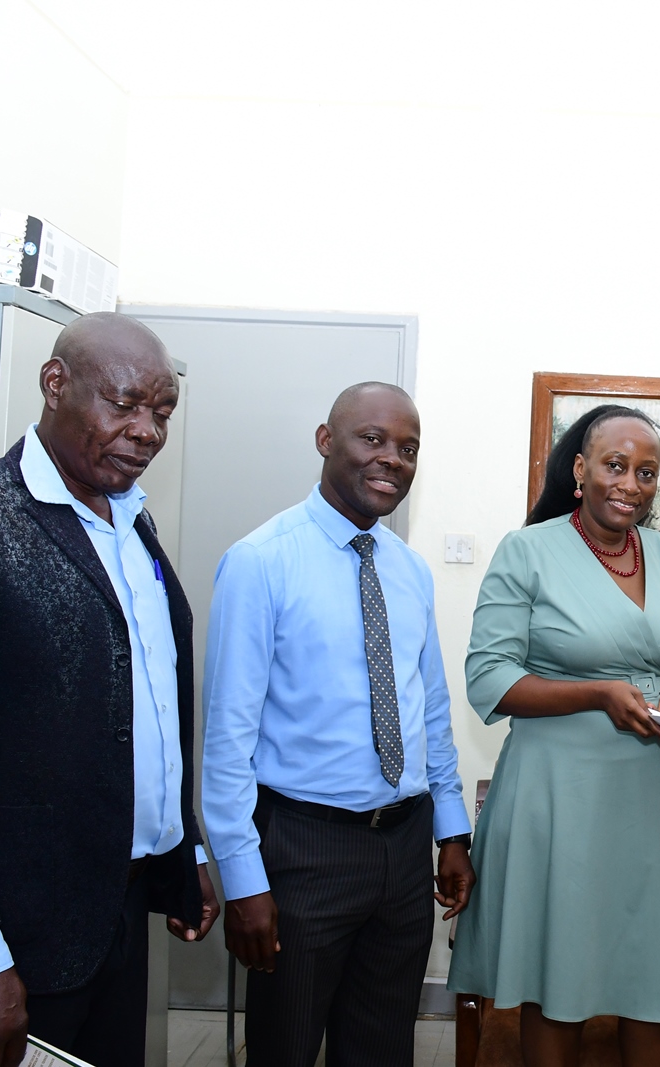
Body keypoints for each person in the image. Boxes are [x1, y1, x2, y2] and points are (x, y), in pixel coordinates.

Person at [0, 314, 219, 1067]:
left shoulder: (130, 525)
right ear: (55, 384)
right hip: (6, 943)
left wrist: (185, 848)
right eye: (125, 404)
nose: (147, 431)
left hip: (114, 914)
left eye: (163, 411)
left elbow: (146, 710)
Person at [201, 382, 473, 1067]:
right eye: (372, 439)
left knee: (382, 1049)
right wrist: (243, 879)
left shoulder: (409, 570)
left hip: (403, 849)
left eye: (408, 448)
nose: (392, 460)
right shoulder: (260, 561)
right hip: (301, 850)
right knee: (285, 1048)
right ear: (326, 440)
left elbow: (429, 710)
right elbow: (227, 739)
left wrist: (450, 830)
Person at [449, 404, 660, 1067]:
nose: (630, 483)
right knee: (557, 979)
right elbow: (489, 679)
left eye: (647, 471)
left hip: (656, 793)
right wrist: (597, 692)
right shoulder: (528, 549)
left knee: (655, 978)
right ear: (580, 470)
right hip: (558, 792)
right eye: (616, 465)